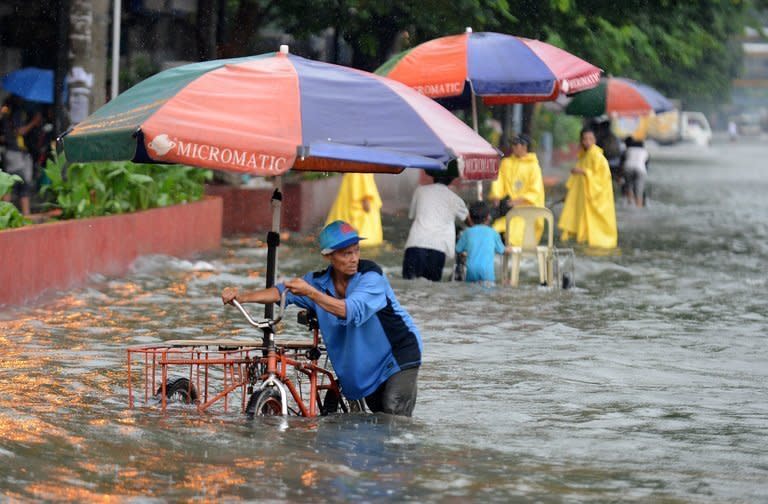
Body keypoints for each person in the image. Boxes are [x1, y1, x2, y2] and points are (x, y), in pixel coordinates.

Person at [221, 220, 422, 417]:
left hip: (397, 355)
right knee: (380, 420)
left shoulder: (371, 276)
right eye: (346, 253)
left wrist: (311, 293)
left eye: (356, 251)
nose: (354, 258)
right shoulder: (317, 282)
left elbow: (349, 310)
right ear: (329, 256)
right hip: (364, 369)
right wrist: (241, 297)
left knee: (393, 413)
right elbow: (282, 292)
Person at [558, 128, 618, 249]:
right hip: (583, 198)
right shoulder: (584, 156)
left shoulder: (598, 157)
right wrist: (570, 194)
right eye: (585, 139)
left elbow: (603, 180)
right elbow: (577, 181)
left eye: (590, 139)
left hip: (594, 198)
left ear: (595, 140)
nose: (587, 142)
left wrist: (584, 172)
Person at [402, 172, 468, 281]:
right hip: (438, 248)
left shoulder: (420, 191)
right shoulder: (455, 199)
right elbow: (469, 221)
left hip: (415, 244)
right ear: (452, 179)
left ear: (433, 176)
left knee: (409, 284)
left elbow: (412, 215)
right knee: (431, 288)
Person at [488, 134, 546, 246]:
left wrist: (518, 201)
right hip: (507, 209)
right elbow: (499, 181)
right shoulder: (506, 163)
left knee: (516, 238)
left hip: (526, 212)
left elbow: (535, 191)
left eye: (516, 144)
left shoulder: (534, 167)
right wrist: (496, 196)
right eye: (512, 144)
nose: (513, 147)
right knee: (495, 232)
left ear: (524, 146)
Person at [0, 95, 41, 215]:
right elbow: (19, 131)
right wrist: (34, 122)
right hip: (15, 153)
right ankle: (15, 213)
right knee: (18, 183)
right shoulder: (14, 114)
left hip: (18, 153)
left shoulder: (7, 115)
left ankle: (8, 213)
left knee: (13, 183)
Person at [455, 201, 511, 284]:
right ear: (488, 217)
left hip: (471, 273)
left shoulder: (467, 232)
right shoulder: (493, 233)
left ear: (469, 217)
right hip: (487, 275)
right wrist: (510, 249)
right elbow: (502, 250)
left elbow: (458, 249)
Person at [325, 173, 383, 247]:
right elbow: (366, 202)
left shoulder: (352, 171)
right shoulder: (361, 172)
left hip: (338, 231)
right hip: (360, 229)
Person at [621, 137, 650, 208]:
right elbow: (646, 164)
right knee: (639, 190)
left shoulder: (628, 150)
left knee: (629, 186)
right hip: (640, 169)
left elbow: (622, 161)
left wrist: (620, 174)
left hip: (628, 168)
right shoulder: (645, 151)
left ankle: (629, 203)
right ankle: (638, 206)